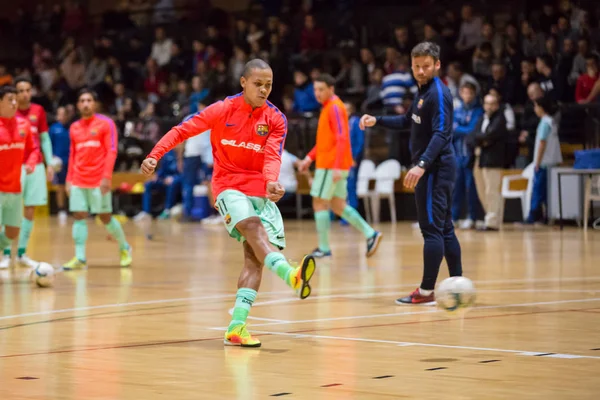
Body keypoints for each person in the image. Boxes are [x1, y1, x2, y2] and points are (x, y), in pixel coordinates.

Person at [141, 59, 316, 348]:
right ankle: (290, 275)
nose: (264, 90)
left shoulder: (276, 119)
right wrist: (154, 154)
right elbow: (183, 129)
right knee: (253, 228)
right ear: (243, 82)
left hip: (260, 190)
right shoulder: (223, 109)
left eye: (269, 85)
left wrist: (272, 180)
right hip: (228, 186)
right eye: (258, 84)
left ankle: (236, 327)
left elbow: (273, 155)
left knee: (254, 259)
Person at [359, 42, 463, 305]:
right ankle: (458, 285)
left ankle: (427, 292)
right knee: (445, 228)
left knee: (431, 230)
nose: (420, 71)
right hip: (437, 168)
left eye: (426, 66)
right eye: (416, 66)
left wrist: (422, 164)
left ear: (437, 65)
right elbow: (407, 121)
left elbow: (442, 133)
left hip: (435, 169)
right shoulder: (421, 92)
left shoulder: (438, 94)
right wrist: (378, 120)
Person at [298, 74, 382, 258]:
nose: (317, 93)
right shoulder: (328, 107)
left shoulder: (335, 107)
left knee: (319, 202)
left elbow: (342, 137)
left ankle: (324, 248)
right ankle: (370, 234)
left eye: (321, 89)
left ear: (331, 89)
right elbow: (324, 142)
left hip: (330, 166)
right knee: (338, 205)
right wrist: (309, 158)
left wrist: (336, 166)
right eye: (315, 90)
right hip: (332, 164)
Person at [62, 89, 133, 270]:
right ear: (78, 105)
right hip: (78, 178)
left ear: (95, 104)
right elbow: (72, 155)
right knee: (79, 215)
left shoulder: (106, 124)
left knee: (105, 217)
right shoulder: (74, 127)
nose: (85, 103)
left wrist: (106, 177)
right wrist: (69, 179)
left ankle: (124, 248)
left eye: (89, 100)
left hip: (98, 179)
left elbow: (112, 151)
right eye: (82, 101)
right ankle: (80, 258)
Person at [1, 78, 54, 269]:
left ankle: (21, 253)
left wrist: (46, 163)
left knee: (27, 211)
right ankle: (5, 255)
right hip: (7, 174)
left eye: (27, 90)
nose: (23, 95)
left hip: (29, 170)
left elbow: (41, 142)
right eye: (19, 91)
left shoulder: (36, 113)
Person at [0, 85, 38, 269]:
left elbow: (32, 149)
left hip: (15, 187)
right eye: (10, 100)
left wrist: (31, 163)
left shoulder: (24, 124)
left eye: (16, 99)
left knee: (13, 232)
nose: (15, 103)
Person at [471, 94, 507, 231]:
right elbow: (473, 135)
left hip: (493, 159)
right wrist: (482, 140)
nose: (489, 106)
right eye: (487, 103)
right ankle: (489, 217)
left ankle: (493, 222)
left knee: (492, 190)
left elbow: (491, 135)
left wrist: (483, 139)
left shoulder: (499, 118)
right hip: (480, 158)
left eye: (492, 103)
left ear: (497, 105)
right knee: (482, 190)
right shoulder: (482, 118)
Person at [451, 82, 484, 229]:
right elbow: (451, 129)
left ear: (474, 94)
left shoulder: (478, 111)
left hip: (471, 156)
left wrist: (460, 128)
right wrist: (462, 128)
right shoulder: (456, 110)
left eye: (470, 93)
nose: (467, 96)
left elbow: (473, 130)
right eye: (464, 93)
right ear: (460, 93)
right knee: (456, 188)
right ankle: (454, 217)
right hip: (457, 154)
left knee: (471, 187)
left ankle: (472, 217)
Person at [527, 96, 562, 223]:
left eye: (536, 106)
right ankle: (545, 217)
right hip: (552, 162)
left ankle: (532, 217)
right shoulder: (552, 121)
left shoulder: (544, 123)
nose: (535, 109)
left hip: (543, 163)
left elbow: (542, 142)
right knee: (548, 191)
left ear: (541, 108)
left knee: (538, 190)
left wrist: (537, 162)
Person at [135, 149, 182, 220]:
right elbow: (163, 169)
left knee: (172, 183)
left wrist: (174, 178)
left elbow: (186, 174)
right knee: (148, 184)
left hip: (177, 181)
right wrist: (156, 175)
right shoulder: (168, 154)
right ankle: (146, 212)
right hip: (164, 179)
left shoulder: (186, 154)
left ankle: (167, 210)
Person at [49, 106, 71, 224]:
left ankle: (73, 208)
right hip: (58, 163)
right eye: (60, 114)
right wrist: (51, 159)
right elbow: (48, 144)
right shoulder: (53, 129)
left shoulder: (72, 128)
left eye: (64, 114)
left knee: (72, 186)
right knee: (60, 187)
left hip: (71, 162)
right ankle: (61, 209)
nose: (62, 116)